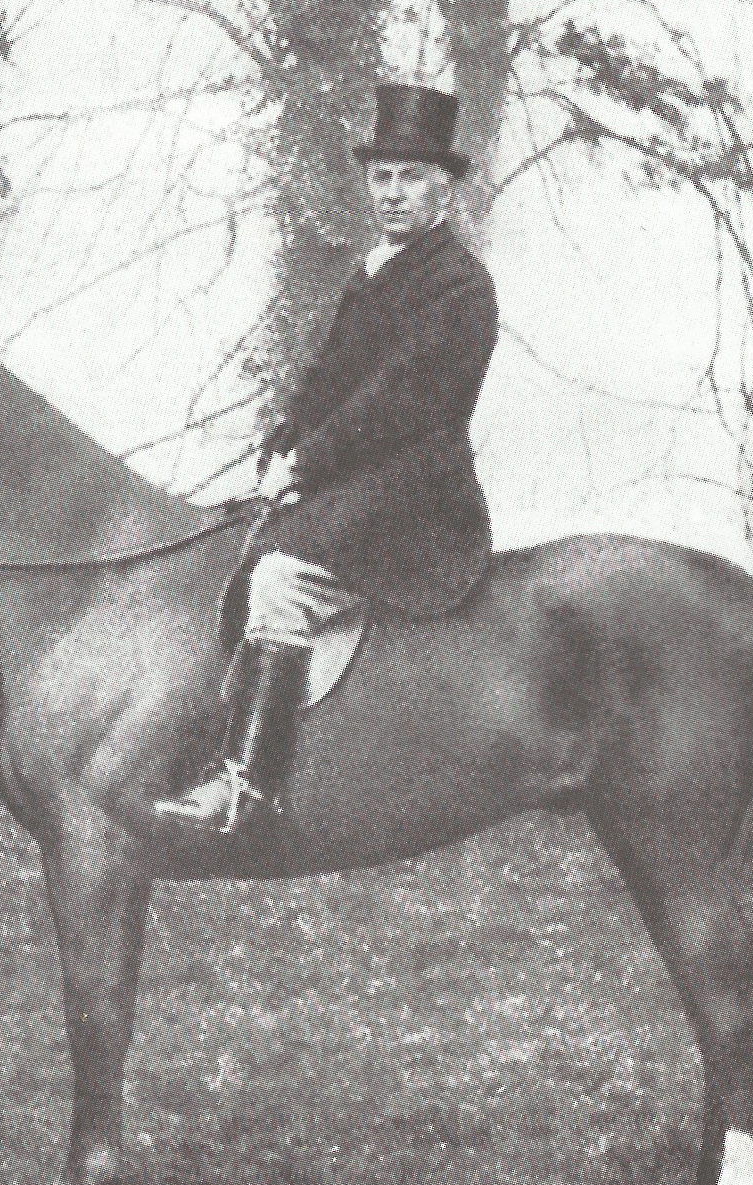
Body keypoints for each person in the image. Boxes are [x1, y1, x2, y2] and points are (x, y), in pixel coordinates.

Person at [156, 83, 499, 839]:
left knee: (278, 580)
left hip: (420, 499)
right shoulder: (375, 271)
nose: (393, 192)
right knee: (236, 551)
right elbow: (327, 379)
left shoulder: (461, 285)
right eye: (382, 176)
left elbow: (399, 401)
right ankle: (204, 748)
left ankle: (252, 785)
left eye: (412, 177)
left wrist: (308, 463)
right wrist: (282, 443)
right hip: (360, 485)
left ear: (444, 188)